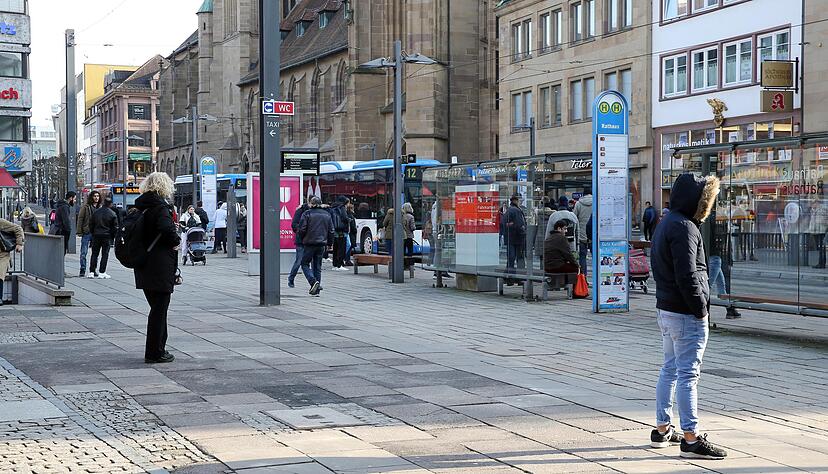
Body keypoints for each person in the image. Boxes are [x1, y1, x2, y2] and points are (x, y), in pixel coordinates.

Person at [650, 173, 727, 460]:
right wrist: (701, 309)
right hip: (684, 313)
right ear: (699, 200)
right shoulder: (685, 227)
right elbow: (688, 273)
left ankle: (661, 429)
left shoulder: (667, 222)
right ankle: (691, 437)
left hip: (667, 308)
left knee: (669, 369)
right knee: (687, 375)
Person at [133, 172, 181, 364]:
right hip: (159, 265)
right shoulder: (160, 208)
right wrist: (176, 240)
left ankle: (159, 348)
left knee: (157, 308)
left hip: (144, 263)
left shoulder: (141, 207)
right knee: (159, 310)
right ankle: (154, 352)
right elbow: (166, 229)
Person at [297, 196, 333, 296]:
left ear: (311, 204)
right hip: (322, 244)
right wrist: (330, 243)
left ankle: (313, 282)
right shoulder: (327, 215)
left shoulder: (307, 214)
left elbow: (302, 229)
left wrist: (302, 238)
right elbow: (331, 230)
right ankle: (316, 290)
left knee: (304, 263)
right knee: (317, 266)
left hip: (309, 243)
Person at [88, 199, 118, 279]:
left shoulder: (96, 212)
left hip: (96, 235)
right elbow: (114, 227)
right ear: (110, 204)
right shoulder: (112, 214)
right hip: (107, 236)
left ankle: (91, 271)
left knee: (94, 254)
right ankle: (102, 272)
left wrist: (93, 233)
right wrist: (113, 237)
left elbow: (91, 224)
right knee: (105, 254)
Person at [76, 190, 101, 277]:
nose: (96, 198)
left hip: (96, 233)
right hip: (87, 232)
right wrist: (79, 231)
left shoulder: (100, 208)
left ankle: (93, 270)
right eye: (95, 196)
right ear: (91, 197)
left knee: (95, 253)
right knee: (84, 252)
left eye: (98, 196)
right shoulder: (86, 207)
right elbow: (80, 219)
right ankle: (82, 269)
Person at [504, 195, 527, 285]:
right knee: (519, 258)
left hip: (510, 237)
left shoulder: (509, 209)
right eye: (520, 200)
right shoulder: (516, 210)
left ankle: (508, 278)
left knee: (511, 258)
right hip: (518, 238)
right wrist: (523, 232)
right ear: (516, 200)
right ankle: (518, 278)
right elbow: (520, 224)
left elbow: (504, 223)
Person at [0, 218, 23, 305]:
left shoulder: (1, 222)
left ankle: (0, 298)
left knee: (0, 275)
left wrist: (19, 244)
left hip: (2, 254)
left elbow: (18, 228)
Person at [287, 200, 309, 288]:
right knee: (299, 261)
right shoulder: (300, 211)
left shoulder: (314, 211)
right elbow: (294, 224)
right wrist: (301, 232)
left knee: (307, 262)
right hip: (301, 240)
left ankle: (314, 282)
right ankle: (291, 278)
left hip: (311, 240)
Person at [573, 191, 592, 277]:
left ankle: (584, 278)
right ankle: (598, 279)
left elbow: (574, 218)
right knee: (596, 257)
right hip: (593, 235)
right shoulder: (597, 202)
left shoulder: (578, 204)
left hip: (581, 235)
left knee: (582, 257)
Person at [330, 196, 349, 270]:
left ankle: (335, 265)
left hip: (335, 230)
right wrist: (349, 220)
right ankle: (339, 264)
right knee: (341, 248)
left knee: (335, 248)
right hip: (342, 230)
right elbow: (344, 218)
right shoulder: (342, 207)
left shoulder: (333, 207)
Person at [809, 196, 827, 269]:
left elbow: (825, 219)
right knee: (819, 248)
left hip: (821, 230)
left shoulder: (823, 209)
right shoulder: (813, 210)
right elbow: (812, 221)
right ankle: (820, 262)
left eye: (813, 203)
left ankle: (822, 263)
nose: (812, 204)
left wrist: (824, 225)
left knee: (821, 247)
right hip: (815, 231)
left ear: (817, 202)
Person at [402, 202, 416, 267]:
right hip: (409, 236)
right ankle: (410, 266)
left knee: (403, 251)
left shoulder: (402, 216)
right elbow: (412, 227)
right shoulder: (411, 217)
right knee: (410, 252)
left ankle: (403, 265)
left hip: (403, 236)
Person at [345, 201, 356, 265]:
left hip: (349, 233)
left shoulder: (346, 215)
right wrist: (355, 230)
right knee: (349, 247)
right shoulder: (351, 216)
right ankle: (347, 260)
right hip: (351, 234)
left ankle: (346, 259)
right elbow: (353, 226)